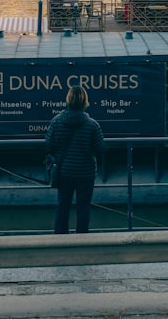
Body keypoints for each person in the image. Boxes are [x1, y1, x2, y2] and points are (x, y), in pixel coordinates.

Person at [45, 86, 104, 234]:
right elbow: (100, 147)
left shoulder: (56, 121)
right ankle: (82, 237)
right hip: (86, 172)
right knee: (83, 208)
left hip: (64, 171)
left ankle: (60, 236)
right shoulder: (92, 124)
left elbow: (49, 144)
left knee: (62, 205)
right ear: (85, 100)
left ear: (68, 99)